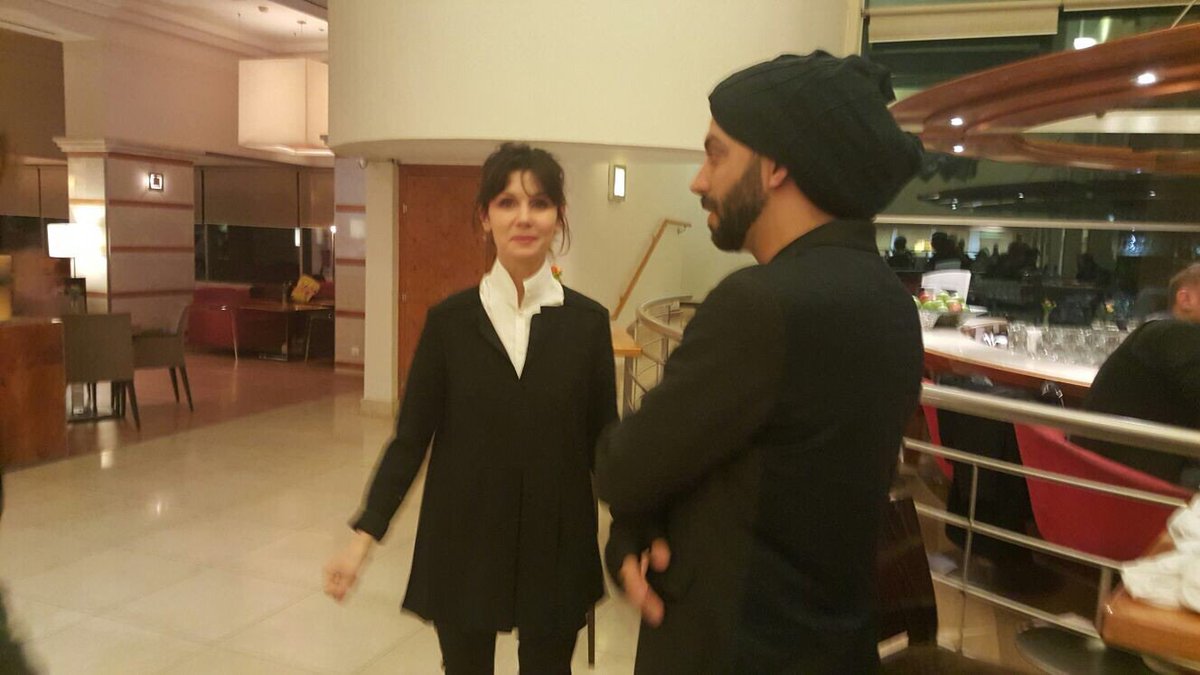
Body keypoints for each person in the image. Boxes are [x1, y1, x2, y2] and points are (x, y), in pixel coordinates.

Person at [594, 52, 925, 673]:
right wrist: (643, 516)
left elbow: (623, 468)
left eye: (716, 155)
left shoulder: (759, 306)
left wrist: (634, 512)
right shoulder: (891, 303)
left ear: (775, 166)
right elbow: (758, 474)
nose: (699, 181)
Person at [323, 143, 617, 674]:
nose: (524, 217)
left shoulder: (588, 324)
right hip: (465, 535)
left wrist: (636, 530)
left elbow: (604, 441)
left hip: (556, 537)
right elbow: (410, 440)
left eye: (539, 203)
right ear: (484, 217)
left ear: (558, 217)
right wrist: (362, 540)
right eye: (507, 202)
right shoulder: (449, 323)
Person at [1077, 263, 1200, 488]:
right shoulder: (1174, 334)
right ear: (1185, 299)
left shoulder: (1156, 331)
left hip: (1101, 474)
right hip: (1133, 482)